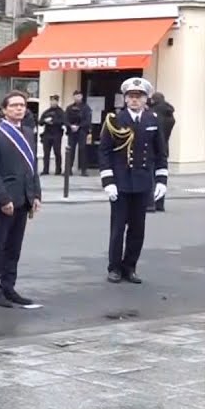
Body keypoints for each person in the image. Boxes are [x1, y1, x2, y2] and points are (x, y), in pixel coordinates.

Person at [99, 77, 168, 284]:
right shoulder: (114, 120)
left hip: (143, 181)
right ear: (125, 99)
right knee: (118, 228)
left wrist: (161, 180)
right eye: (131, 96)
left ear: (146, 99)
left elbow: (161, 152)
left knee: (138, 229)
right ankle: (114, 268)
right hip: (120, 183)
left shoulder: (152, 120)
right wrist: (108, 181)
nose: (135, 100)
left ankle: (130, 267)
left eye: (139, 96)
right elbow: (104, 151)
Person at [0, 90, 42, 308]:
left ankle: (9, 286)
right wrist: (2, 198)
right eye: (14, 105)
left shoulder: (28, 132)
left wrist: (36, 194)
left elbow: (32, 166)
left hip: (23, 198)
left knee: (14, 248)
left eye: (22, 105)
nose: (19, 109)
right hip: (5, 199)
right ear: (5, 110)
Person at [148, 92, 175, 213]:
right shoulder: (169, 113)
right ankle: (160, 203)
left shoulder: (155, 114)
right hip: (164, 147)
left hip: (153, 148)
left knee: (151, 176)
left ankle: (151, 203)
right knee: (161, 176)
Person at [64, 91, 91, 176]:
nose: (77, 98)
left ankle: (84, 170)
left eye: (79, 96)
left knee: (82, 150)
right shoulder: (69, 108)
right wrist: (70, 126)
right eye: (75, 96)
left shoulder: (86, 108)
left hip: (82, 131)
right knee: (70, 151)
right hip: (71, 132)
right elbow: (65, 119)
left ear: (81, 96)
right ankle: (68, 170)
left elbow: (88, 120)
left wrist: (79, 126)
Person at [39, 94, 65, 175]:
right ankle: (45, 170)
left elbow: (63, 121)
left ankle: (58, 170)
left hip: (57, 134)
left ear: (57, 102)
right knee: (46, 153)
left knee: (57, 152)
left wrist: (53, 122)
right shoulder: (47, 112)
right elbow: (40, 122)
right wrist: (45, 121)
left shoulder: (60, 112)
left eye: (55, 101)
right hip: (47, 134)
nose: (53, 102)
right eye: (52, 101)